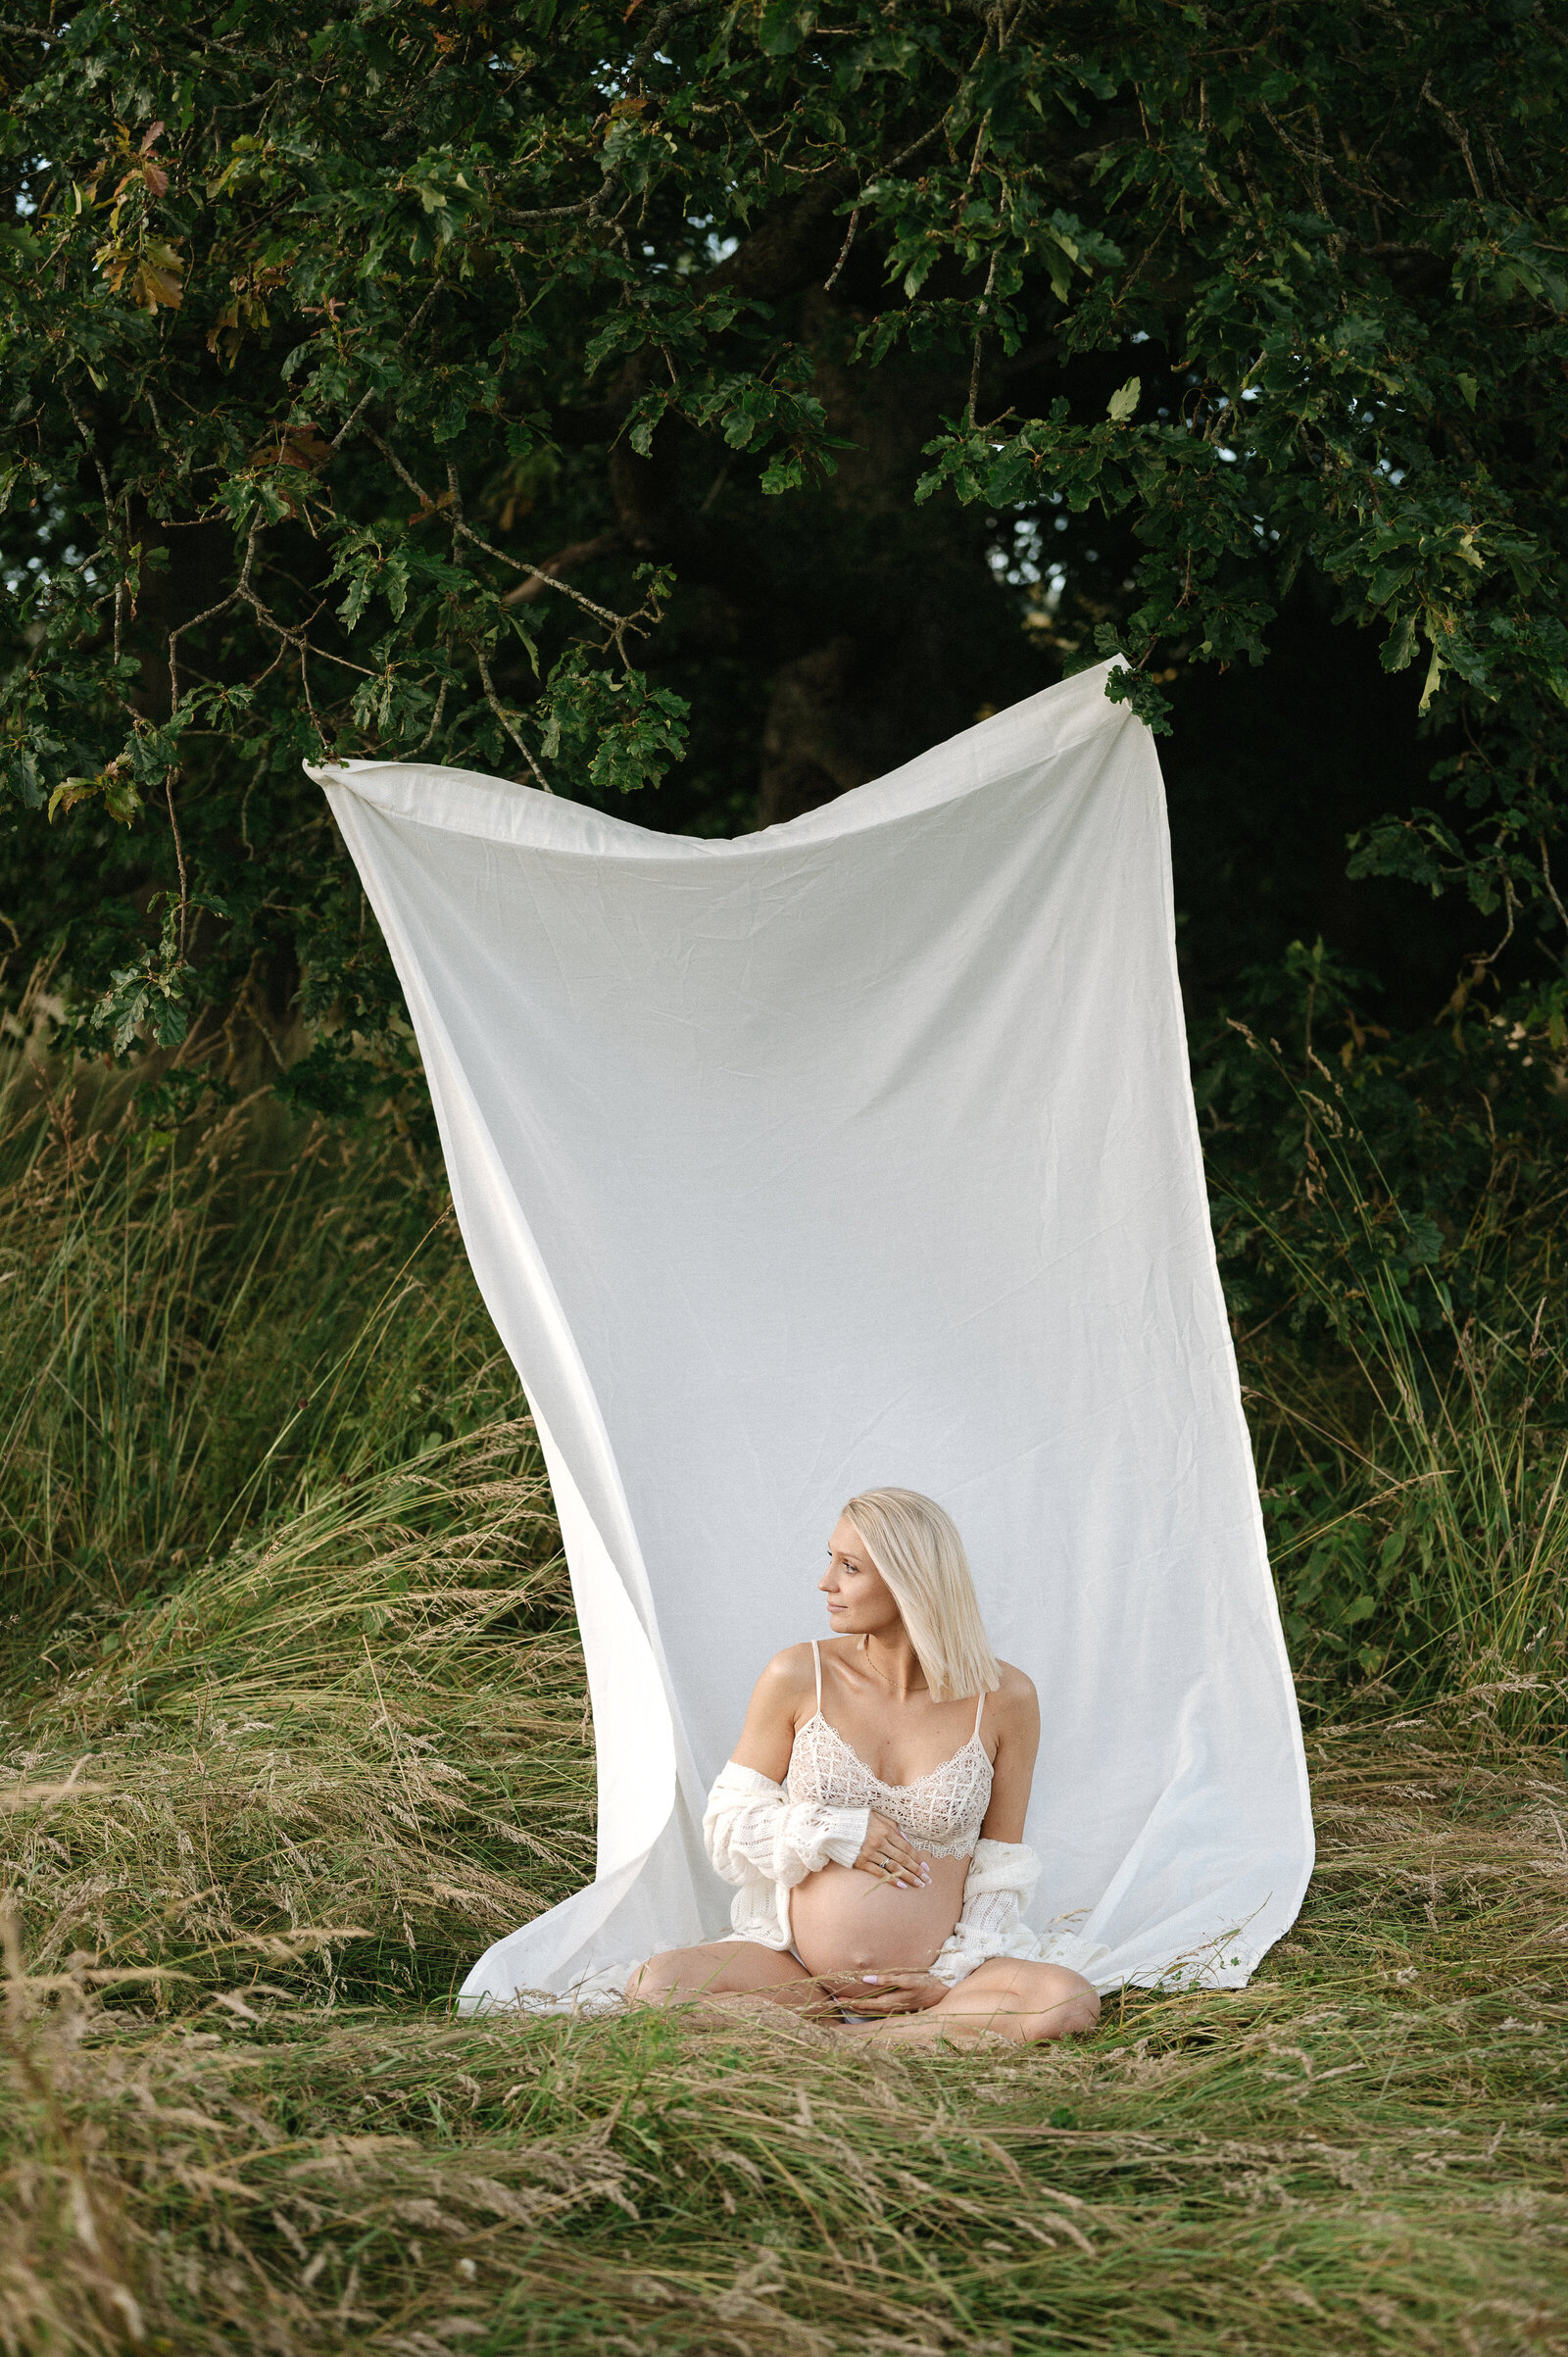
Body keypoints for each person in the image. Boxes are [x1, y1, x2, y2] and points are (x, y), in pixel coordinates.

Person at [629, 1488, 1101, 2044]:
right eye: (830, 1559)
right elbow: (726, 1826)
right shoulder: (796, 1675)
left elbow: (1001, 1862)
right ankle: (893, 2041)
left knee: (1066, 2000)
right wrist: (834, 1829)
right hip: (800, 1976)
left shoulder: (1005, 1698)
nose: (826, 1582)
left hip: (940, 1985)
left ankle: (840, 2045)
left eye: (848, 1567)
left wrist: (947, 1978)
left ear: (911, 1582)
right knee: (655, 1984)